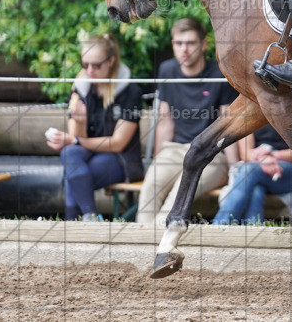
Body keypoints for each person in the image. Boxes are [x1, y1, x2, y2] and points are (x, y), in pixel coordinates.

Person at [136, 18, 240, 225]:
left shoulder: (219, 73)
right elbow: (166, 121)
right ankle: (140, 248)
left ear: (203, 45)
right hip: (174, 149)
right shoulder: (167, 71)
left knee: (177, 197)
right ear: (173, 44)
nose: (184, 49)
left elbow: (228, 122)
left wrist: (234, 169)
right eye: (178, 43)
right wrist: (158, 161)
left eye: (190, 43)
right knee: (150, 189)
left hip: (210, 154)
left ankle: (161, 248)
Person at [46, 33, 144, 221]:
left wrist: (75, 139)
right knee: (69, 155)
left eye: (96, 65)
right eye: (85, 65)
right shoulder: (80, 88)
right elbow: (75, 142)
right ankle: (90, 216)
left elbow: (117, 144)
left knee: (73, 174)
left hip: (120, 159)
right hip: (87, 156)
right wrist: (80, 122)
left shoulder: (131, 91)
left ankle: (73, 223)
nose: (89, 71)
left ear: (111, 61)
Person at [212, 124, 292, 225]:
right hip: (257, 170)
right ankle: (253, 232)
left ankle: (219, 227)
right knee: (255, 188)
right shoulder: (250, 113)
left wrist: (273, 155)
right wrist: (263, 159)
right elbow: (245, 153)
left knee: (249, 170)